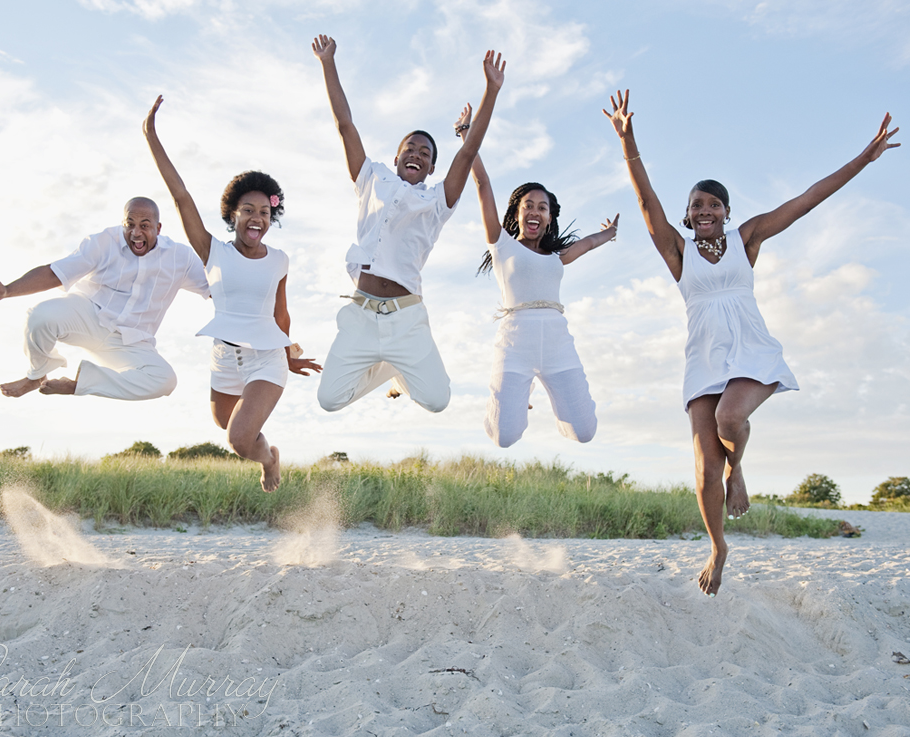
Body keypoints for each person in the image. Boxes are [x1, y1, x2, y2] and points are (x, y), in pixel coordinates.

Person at [604, 89, 900, 597]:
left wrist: (865, 159)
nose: (704, 211)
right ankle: (718, 546)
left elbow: (807, 198)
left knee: (729, 420)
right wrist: (629, 142)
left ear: (726, 211)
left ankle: (738, 471)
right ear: (688, 214)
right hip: (703, 356)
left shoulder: (748, 238)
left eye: (713, 204)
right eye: (696, 205)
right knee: (702, 471)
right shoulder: (678, 251)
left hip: (749, 349)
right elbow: (645, 201)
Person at [311, 34, 505, 413]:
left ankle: (398, 362)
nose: (416, 154)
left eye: (425, 153)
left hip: (406, 317)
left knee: (437, 400)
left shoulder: (437, 201)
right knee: (329, 399)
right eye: (410, 149)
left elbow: (468, 152)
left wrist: (491, 92)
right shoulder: (372, 178)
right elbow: (345, 125)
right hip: (361, 314)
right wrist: (328, 63)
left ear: (431, 167)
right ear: (397, 157)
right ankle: (387, 369)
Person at [143, 95, 321, 493]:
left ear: (270, 218)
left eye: (263, 211)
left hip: (266, 359)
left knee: (239, 438)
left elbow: (281, 314)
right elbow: (181, 196)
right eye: (247, 210)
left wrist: (289, 356)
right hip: (224, 357)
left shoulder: (280, 260)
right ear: (232, 215)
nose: (256, 217)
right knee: (227, 424)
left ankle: (269, 462)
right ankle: (269, 452)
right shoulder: (213, 252)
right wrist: (151, 136)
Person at [456, 105, 618, 447]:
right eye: (528, 204)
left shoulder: (556, 256)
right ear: (518, 213)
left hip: (558, 340)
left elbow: (587, 243)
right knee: (504, 437)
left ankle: (549, 394)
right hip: (515, 341)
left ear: (548, 218)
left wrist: (609, 234)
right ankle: (512, 398)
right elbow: (483, 184)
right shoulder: (501, 244)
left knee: (584, 433)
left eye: (542, 207)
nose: (535, 210)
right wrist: (466, 135)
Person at [0, 197, 209, 400]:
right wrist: (6, 290)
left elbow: (216, 288)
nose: (136, 233)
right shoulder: (104, 241)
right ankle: (37, 375)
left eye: (144, 226)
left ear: (158, 228)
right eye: (130, 224)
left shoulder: (181, 257)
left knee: (164, 380)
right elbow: (54, 272)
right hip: (88, 316)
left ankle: (79, 384)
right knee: (39, 316)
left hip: (131, 340)